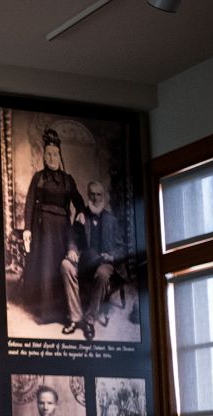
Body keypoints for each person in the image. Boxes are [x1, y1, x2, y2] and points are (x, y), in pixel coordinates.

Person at [21, 128, 86, 329]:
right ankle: (46, 313)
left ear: (60, 155)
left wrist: (82, 211)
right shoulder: (38, 177)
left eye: (55, 154)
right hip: (42, 229)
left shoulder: (68, 180)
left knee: (61, 267)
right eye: (48, 154)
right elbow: (30, 203)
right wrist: (27, 229)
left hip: (63, 230)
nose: (52, 157)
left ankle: (63, 311)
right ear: (44, 156)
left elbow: (78, 201)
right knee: (46, 267)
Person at [68, 181, 125, 339]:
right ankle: (75, 314)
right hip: (86, 260)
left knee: (102, 274)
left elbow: (121, 247)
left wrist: (112, 255)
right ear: (88, 195)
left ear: (103, 196)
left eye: (98, 194)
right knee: (67, 265)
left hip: (105, 263)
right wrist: (72, 249)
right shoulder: (81, 215)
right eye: (92, 194)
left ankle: (89, 320)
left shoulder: (111, 220)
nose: (95, 198)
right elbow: (72, 238)